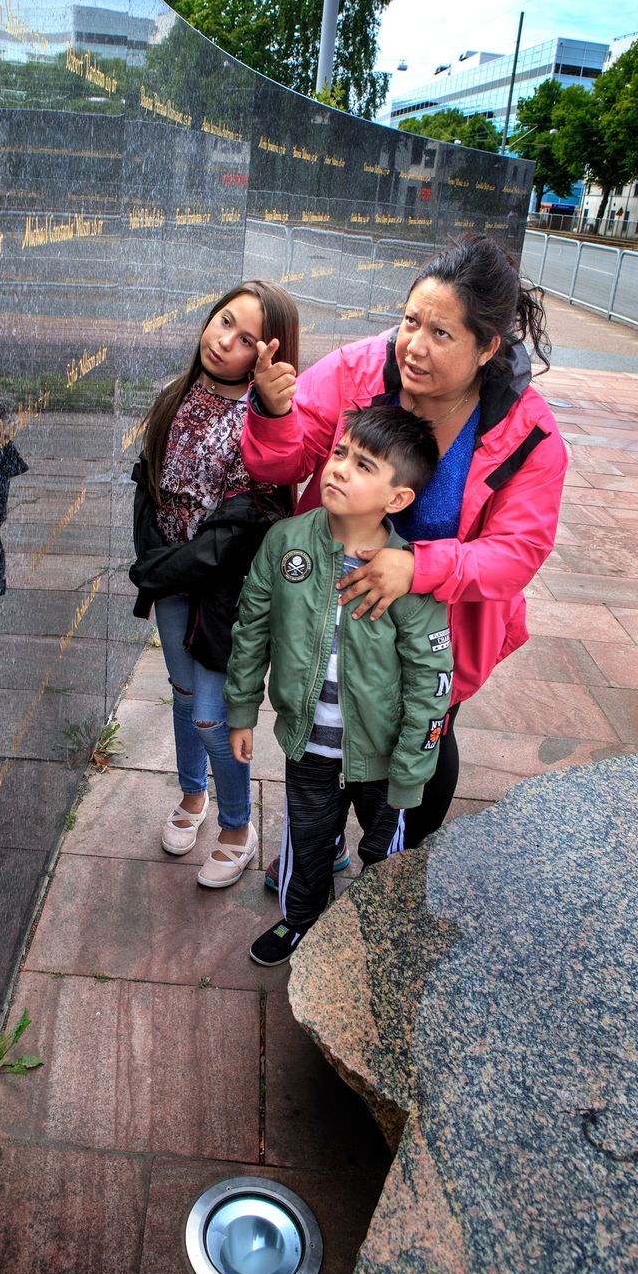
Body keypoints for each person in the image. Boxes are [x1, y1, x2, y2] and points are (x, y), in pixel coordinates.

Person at [241, 233, 568, 871]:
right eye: (410, 320)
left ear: (488, 348)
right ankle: (319, 845)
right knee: (327, 733)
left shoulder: (527, 434)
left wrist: (421, 568)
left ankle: (397, 876)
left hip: (438, 623)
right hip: (332, 609)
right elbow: (280, 461)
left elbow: (517, 552)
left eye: (442, 334)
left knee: (421, 738)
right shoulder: (361, 372)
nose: (413, 345)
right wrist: (274, 413)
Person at [226, 406, 453, 965]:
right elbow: (251, 628)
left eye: (364, 465)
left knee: (383, 855)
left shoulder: (405, 571)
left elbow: (431, 679)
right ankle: (300, 920)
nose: (339, 470)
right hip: (310, 745)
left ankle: (376, 932)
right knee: (307, 843)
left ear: (397, 498)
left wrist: (411, 768)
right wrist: (241, 709)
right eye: (339, 454)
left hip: (382, 756)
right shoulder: (286, 543)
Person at [129, 281, 299, 887]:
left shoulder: (264, 426)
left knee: (211, 716)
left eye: (246, 338)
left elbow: (240, 533)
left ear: (267, 355)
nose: (225, 341)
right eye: (224, 321)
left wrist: (158, 569)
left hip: (227, 597)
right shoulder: (174, 396)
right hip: (172, 582)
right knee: (180, 695)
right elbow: (148, 483)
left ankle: (236, 826)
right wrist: (150, 556)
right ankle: (192, 795)